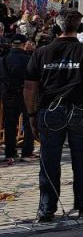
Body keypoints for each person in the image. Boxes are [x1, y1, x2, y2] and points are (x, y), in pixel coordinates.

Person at [24, 9, 83, 222]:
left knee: (49, 162)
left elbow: (29, 88)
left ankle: (46, 210)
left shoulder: (41, 53)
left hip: (50, 113)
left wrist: (31, 115)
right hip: (82, 112)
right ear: (81, 28)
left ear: (56, 28)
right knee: (82, 160)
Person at [0, 34, 35, 164]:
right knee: (28, 122)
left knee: (9, 124)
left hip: (9, 95)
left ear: (11, 44)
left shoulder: (3, 59)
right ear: (23, 44)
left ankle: (10, 153)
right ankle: (27, 152)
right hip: (26, 93)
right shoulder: (29, 59)